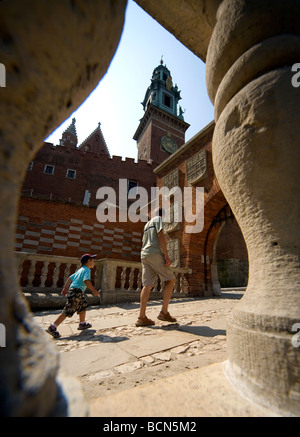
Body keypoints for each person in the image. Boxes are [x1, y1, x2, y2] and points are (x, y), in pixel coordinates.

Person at [136, 208, 177, 326]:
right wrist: (166, 255)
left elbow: (144, 241)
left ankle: (141, 317)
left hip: (144, 254)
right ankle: (164, 312)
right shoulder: (158, 219)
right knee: (171, 280)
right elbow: (160, 235)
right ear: (162, 215)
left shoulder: (146, 225)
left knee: (147, 285)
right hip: (154, 253)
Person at [46, 253, 100, 338]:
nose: (94, 262)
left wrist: (65, 288)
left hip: (74, 290)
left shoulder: (80, 270)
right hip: (76, 292)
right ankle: (52, 327)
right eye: (93, 260)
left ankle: (82, 324)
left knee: (83, 305)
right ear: (88, 261)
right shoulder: (87, 270)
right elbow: (86, 280)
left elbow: (70, 278)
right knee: (68, 310)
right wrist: (93, 290)